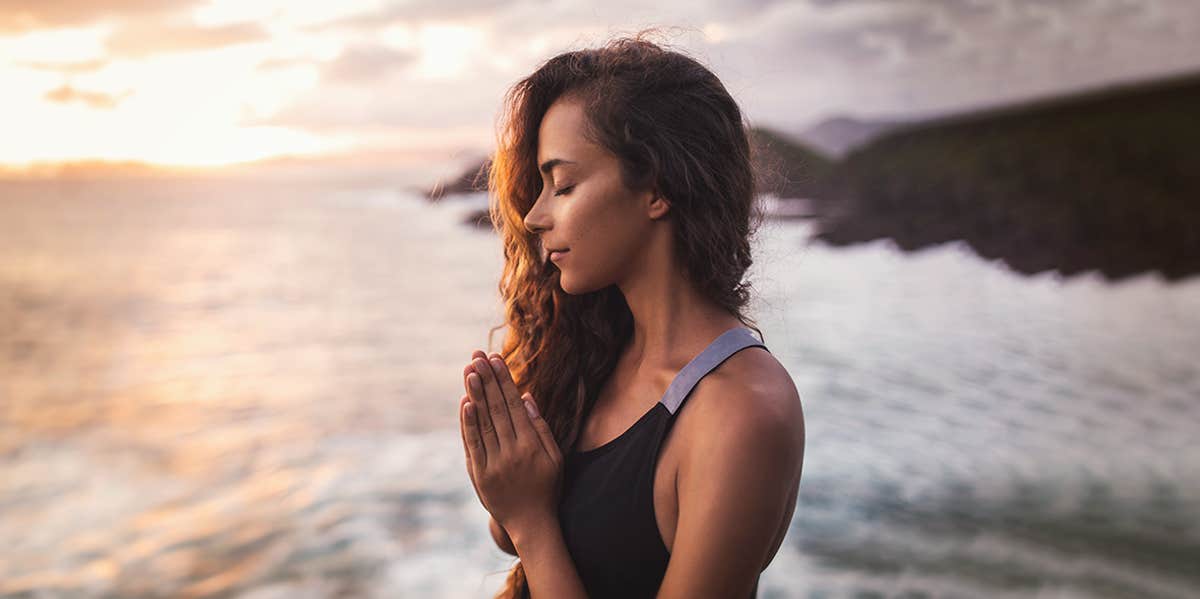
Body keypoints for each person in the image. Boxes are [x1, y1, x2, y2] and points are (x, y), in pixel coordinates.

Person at [457, 29, 805, 599]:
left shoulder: (742, 413)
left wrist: (532, 521)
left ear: (656, 189)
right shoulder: (594, 347)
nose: (535, 215)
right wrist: (510, 485)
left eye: (563, 185)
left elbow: (528, 531)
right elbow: (510, 533)